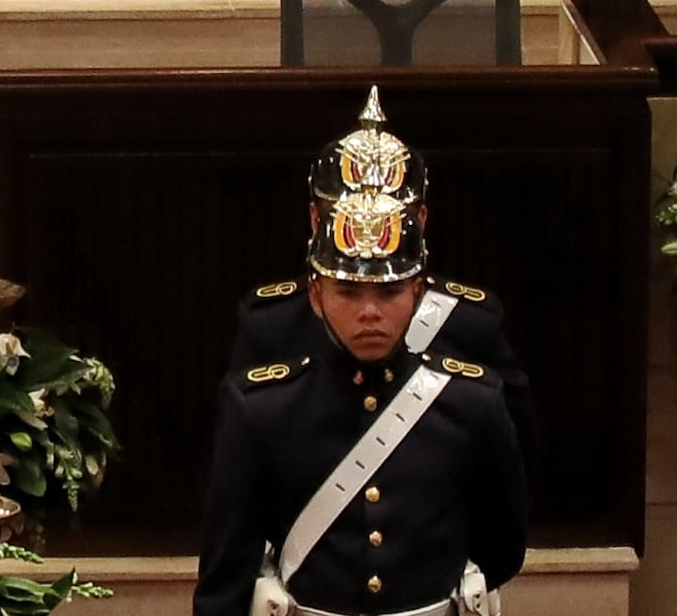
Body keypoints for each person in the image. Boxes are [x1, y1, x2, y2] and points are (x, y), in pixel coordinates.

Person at [190, 177, 530, 616]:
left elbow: (501, 545)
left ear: (419, 292)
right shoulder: (262, 408)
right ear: (316, 296)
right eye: (349, 292)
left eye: (389, 292)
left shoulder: (471, 403)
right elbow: (223, 583)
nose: (369, 311)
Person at [221, 90, 539, 450]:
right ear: (315, 218)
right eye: (345, 215)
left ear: (420, 219)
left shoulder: (470, 322)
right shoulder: (272, 323)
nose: (367, 227)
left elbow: (510, 462)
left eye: (390, 215)